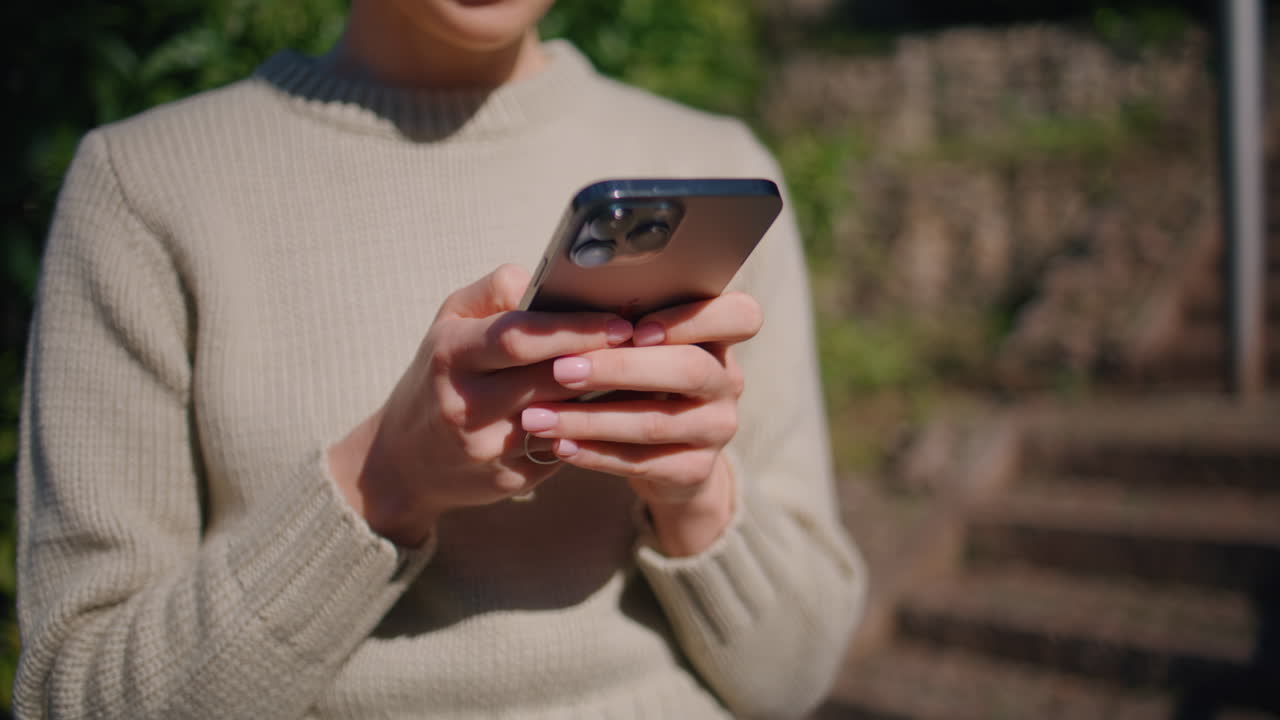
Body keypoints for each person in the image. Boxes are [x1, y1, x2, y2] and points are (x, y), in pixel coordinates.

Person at [14, 0, 866, 717]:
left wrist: (696, 498)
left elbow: (795, 678)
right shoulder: (145, 186)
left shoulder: (716, 166)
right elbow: (72, 693)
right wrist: (384, 481)